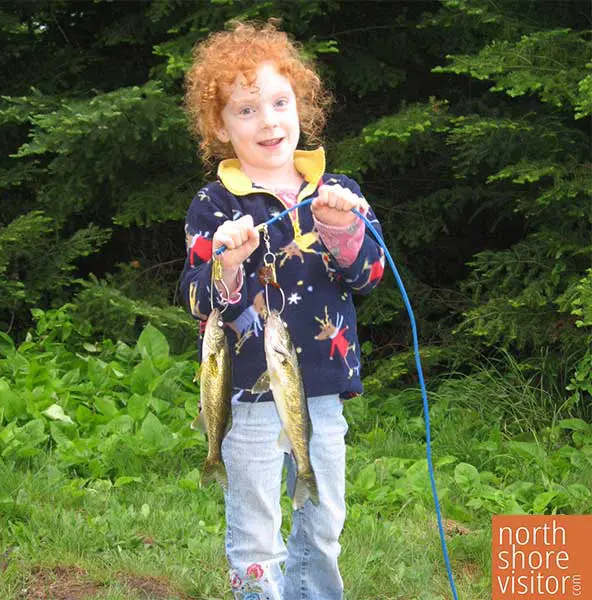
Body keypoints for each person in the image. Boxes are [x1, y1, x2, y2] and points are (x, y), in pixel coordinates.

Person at [180, 20, 385, 600]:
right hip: (245, 399)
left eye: (279, 101)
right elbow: (197, 299)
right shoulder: (214, 203)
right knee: (256, 536)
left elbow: (369, 276)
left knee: (323, 527)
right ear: (220, 126)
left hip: (320, 391)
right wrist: (226, 265)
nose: (269, 121)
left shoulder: (336, 189)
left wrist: (343, 229)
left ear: (302, 104)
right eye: (246, 110)